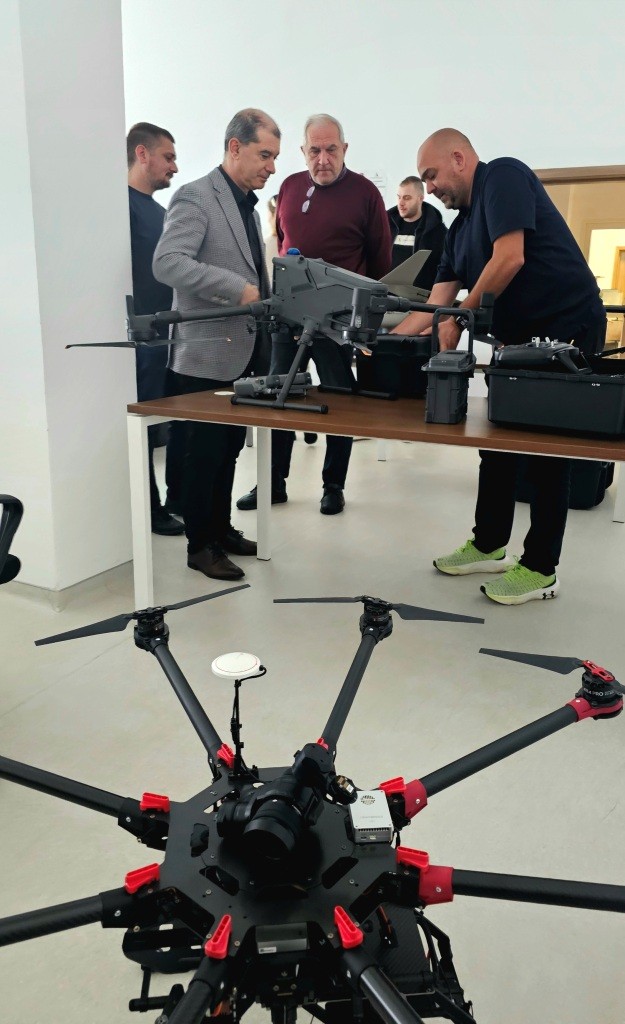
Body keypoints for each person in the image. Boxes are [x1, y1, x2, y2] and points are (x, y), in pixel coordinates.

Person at [391, 128, 606, 605]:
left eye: (432, 175)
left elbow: (510, 257)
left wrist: (459, 317)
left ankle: (540, 569)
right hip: (516, 342)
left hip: (566, 330)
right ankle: (489, 544)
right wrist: (377, 341)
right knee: (498, 445)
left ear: (459, 158)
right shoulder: (458, 231)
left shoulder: (502, 176)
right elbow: (437, 303)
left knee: (547, 452)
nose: (429, 188)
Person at [237, 113, 392, 516]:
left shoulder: (365, 194)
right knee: (277, 395)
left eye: (331, 149)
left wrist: (365, 325)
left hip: (337, 322)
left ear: (345, 149)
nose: (323, 159)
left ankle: (333, 486)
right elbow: (282, 245)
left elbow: (380, 264)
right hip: (288, 317)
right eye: (315, 150)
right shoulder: (289, 187)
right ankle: (273, 482)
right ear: (303, 151)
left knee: (340, 399)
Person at [153, 108, 280, 580]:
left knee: (227, 451)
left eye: (274, 157)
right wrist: (238, 289)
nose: (272, 166)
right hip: (202, 356)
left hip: (242, 353)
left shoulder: (248, 206)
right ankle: (199, 546)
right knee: (201, 456)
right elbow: (168, 262)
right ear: (234, 147)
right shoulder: (196, 196)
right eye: (264, 155)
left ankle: (220, 529)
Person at [127, 121, 183, 536]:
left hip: (170, 337)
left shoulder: (161, 214)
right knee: (145, 427)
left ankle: (176, 500)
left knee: (175, 422)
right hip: (142, 339)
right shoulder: (120, 209)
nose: (174, 167)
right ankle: (149, 510)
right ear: (142, 153)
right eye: (168, 157)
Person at [386, 175, 447, 291]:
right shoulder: (386, 226)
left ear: (420, 198)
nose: (401, 203)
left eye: (407, 198)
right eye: (399, 197)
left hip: (419, 298)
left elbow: (445, 273)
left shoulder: (439, 233)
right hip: (385, 295)